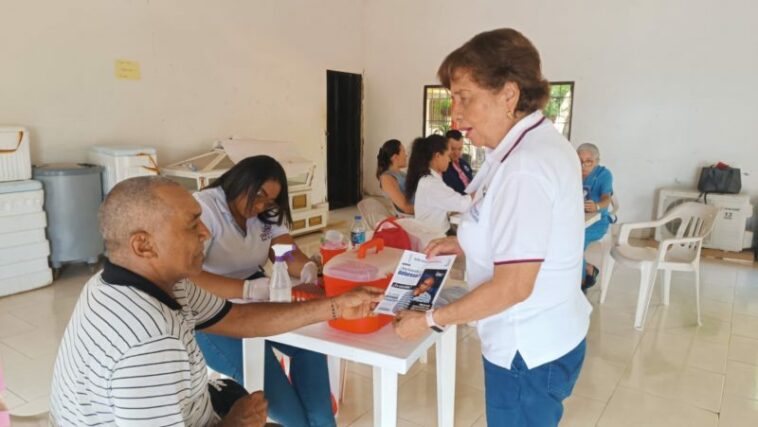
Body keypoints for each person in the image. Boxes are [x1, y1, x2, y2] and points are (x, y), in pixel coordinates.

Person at [49, 176, 382, 427]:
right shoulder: (147, 344)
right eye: (192, 224)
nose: (206, 233)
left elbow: (236, 318)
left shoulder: (154, 282)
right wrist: (233, 423)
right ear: (143, 245)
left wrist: (334, 306)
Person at [394, 28, 591, 427]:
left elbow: (514, 286)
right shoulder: (531, 146)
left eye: (465, 97)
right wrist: (464, 243)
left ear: (508, 95)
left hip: (526, 351)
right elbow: (526, 230)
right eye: (452, 98)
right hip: (550, 336)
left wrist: (431, 320)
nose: (455, 115)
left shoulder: (525, 166)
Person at [190, 156, 335, 427]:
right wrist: (244, 288)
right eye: (258, 195)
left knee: (311, 346)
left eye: (269, 201)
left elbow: (286, 251)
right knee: (285, 404)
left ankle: (323, 421)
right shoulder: (205, 209)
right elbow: (190, 276)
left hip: (259, 294)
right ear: (239, 181)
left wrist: (308, 269)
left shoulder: (265, 213)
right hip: (212, 314)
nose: (260, 206)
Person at [405, 134, 473, 235]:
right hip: (435, 235)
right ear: (437, 156)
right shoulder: (430, 184)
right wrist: (481, 192)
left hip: (440, 230)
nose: (449, 160)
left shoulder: (430, 179)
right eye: (447, 155)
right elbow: (463, 204)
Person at [577, 143, 614, 290]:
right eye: (580, 160)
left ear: (597, 161)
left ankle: (579, 287)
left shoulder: (604, 174)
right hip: (575, 220)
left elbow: (607, 198)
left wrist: (597, 206)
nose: (583, 165)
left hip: (597, 222)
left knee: (576, 242)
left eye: (589, 161)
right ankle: (588, 269)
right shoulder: (572, 170)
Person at [376, 139, 414, 215]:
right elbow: (405, 207)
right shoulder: (387, 178)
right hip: (412, 217)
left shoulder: (400, 173)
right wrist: (427, 210)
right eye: (403, 152)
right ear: (395, 157)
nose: (406, 155)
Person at [442, 129, 474, 194]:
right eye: (453, 149)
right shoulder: (442, 168)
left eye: (460, 149)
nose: (457, 153)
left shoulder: (464, 164)